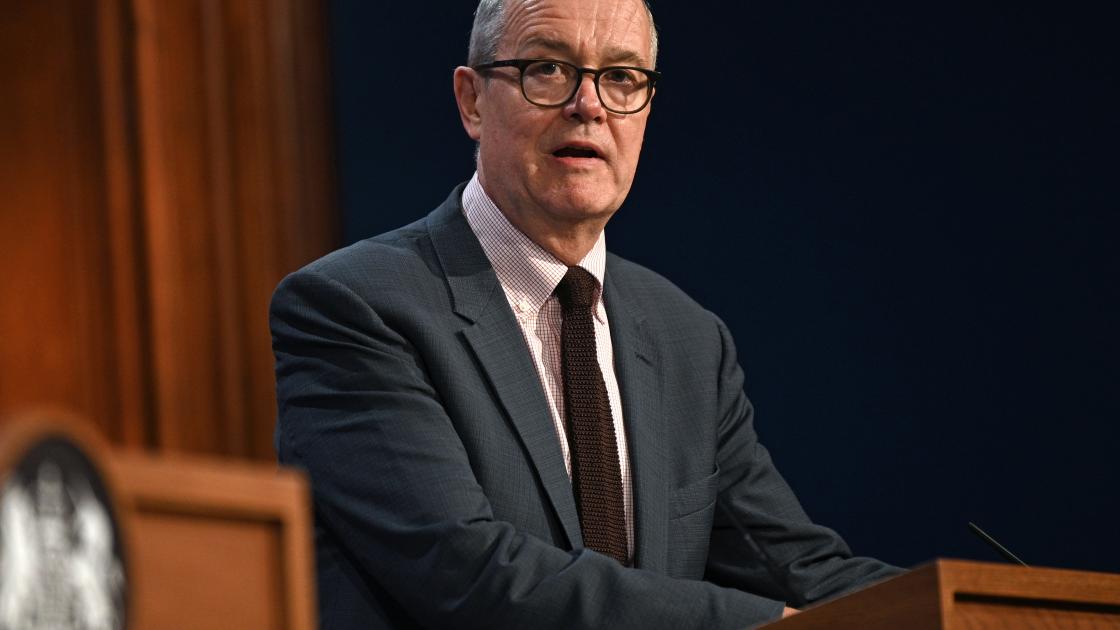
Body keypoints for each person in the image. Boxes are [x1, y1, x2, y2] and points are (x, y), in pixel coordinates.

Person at [270, 0, 902, 627]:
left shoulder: (687, 338)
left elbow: (796, 570)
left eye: (621, 77)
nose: (589, 105)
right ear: (473, 101)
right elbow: (468, 573)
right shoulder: (357, 306)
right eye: (547, 68)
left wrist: (957, 607)